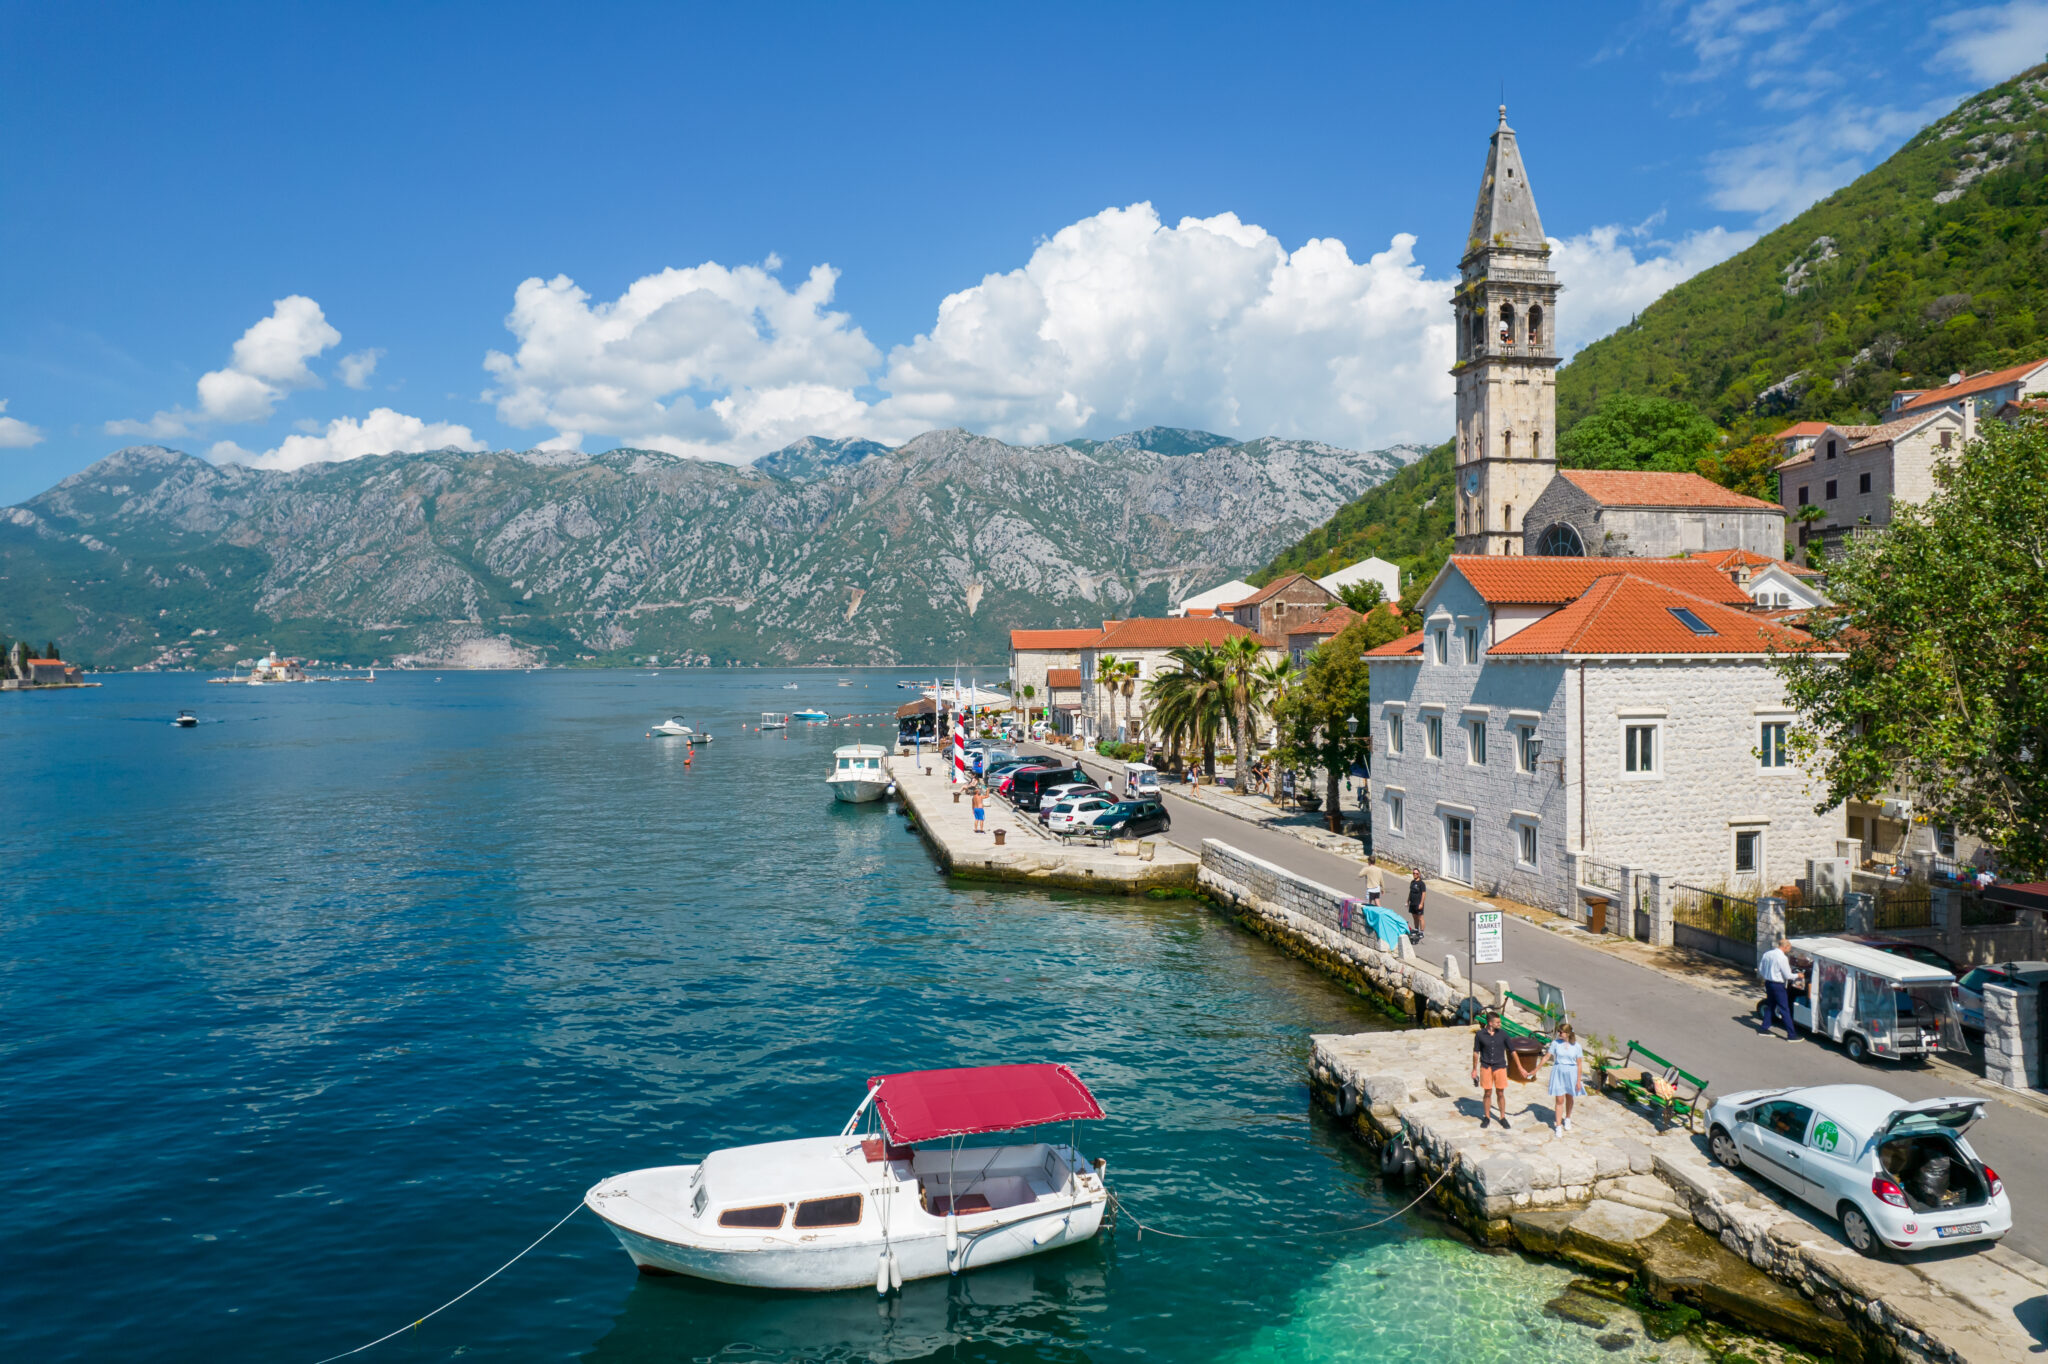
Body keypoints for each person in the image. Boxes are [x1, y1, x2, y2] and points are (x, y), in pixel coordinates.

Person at [1471, 1011, 1510, 1129]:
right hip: (1486, 1066)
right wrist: (1474, 1070)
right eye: (1498, 1022)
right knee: (1487, 1092)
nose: (1500, 1024)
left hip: (1499, 1066)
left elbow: (1511, 1051)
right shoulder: (1480, 1035)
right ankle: (1487, 1116)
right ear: (1490, 1023)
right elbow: (1476, 1052)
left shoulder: (1503, 1034)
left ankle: (1502, 1117)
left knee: (1500, 1092)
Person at [1546, 1022, 1584, 1139]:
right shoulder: (1555, 1043)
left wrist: (1578, 1080)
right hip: (1559, 1072)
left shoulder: (1576, 1046)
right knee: (1559, 1099)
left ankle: (1567, 1118)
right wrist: (1535, 1069)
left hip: (1571, 1073)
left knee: (1569, 1097)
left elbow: (1579, 1064)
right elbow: (1547, 1056)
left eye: (1561, 1032)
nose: (1559, 1033)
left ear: (1567, 1033)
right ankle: (1558, 1126)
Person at [1758, 936, 1798, 1041]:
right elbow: (1788, 975)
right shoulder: (1782, 958)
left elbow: (1761, 969)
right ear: (1786, 947)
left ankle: (1764, 1027)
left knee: (1771, 1005)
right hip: (1778, 985)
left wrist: (1768, 976)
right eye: (1789, 948)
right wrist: (1798, 976)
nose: (1789, 950)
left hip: (1768, 983)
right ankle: (1791, 1035)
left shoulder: (1767, 954)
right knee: (1784, 1009)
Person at [1407, 869, 1427, 944]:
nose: (1415, 874)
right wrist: (1407, 901)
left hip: (1418, 903)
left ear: (1419, 874)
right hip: (1412, 903)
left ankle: (1421, 932)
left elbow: (1424, 894)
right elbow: (1410, 892)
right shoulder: (1412, 882)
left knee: (1420, 917)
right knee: (1414, 916)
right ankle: (1416, 929)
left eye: (1416, 873)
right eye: (1413, 873)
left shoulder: (1421, 884)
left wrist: (1421, 903)